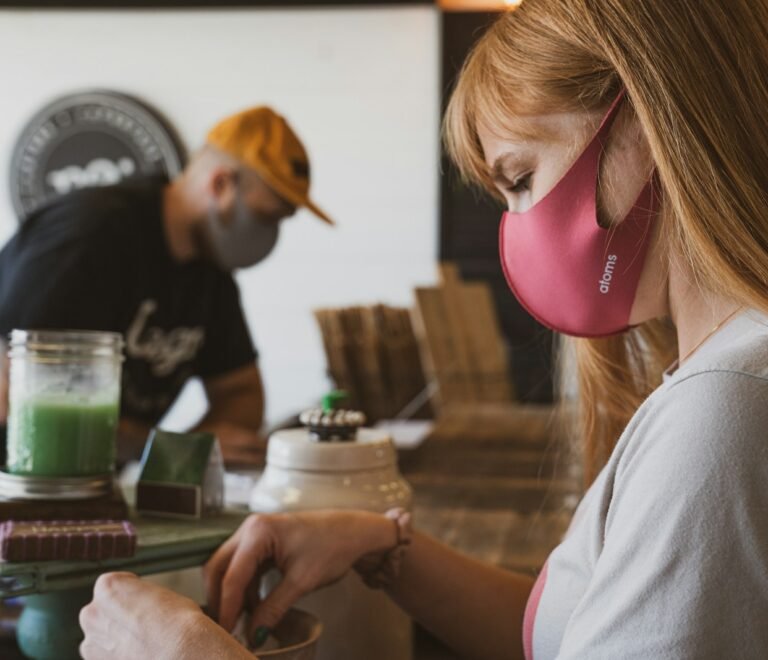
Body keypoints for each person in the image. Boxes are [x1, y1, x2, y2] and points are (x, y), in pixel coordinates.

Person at [78, 1, 768, 658]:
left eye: (521, 178)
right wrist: (384, 549)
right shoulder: (720, 382)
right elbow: (566, 636)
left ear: (649, 124)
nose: (519, 229)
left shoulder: (721, 410)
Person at [0, 107, 333, 466]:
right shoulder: (88, 235)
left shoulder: (210, 272)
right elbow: (19, 392)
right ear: (220, 184)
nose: (270, 235)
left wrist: (182, 457)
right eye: (267, 217)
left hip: (89, 484)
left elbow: (241, 393)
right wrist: (167, 451)